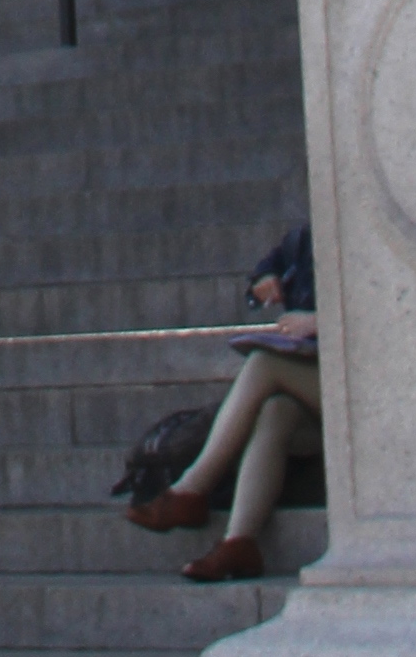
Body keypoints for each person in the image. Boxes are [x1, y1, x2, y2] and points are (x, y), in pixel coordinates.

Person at [128, 217, 318, 582]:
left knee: (264, 364)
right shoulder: (304, 237)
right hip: (314, 385)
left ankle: (191, 488)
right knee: (276, 411)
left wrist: (318, 322)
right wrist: (264, 283)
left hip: (366, 389)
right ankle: (239, 544)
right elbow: (269, 266)